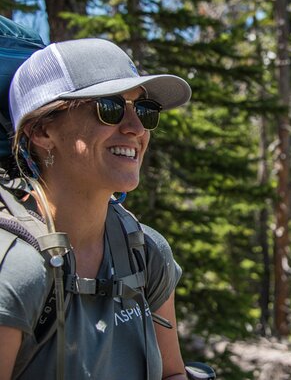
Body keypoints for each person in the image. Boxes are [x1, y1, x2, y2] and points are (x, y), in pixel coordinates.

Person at [0, 37, 192, 380]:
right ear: (41, 130)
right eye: (110, 108)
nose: (135, 129)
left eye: (144, 111)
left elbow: (172, 373)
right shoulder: (15, 270)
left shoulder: (146, 252)